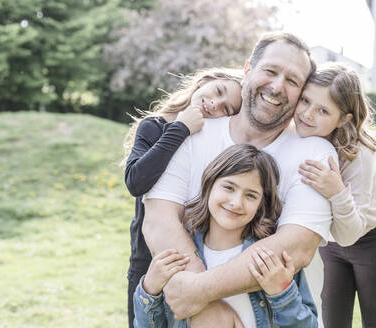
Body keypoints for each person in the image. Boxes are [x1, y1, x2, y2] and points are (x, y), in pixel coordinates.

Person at [142, 32, 343, 327]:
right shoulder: (194, 134)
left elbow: (295, 246)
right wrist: (206, 312)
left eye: (292, 81)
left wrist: (201, 291)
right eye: (270, 71)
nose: (277, 86)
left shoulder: (313, 153)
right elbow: (159, 220)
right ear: (247, 69)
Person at [134, 144, 318, 328]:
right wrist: (149, 290)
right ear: (210, 184)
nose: (236, 203)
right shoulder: (180, 253)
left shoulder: (271, 260)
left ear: (262, 204)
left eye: (251, 196)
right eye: (229, 187)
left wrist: (281, 294)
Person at [122, 68, 243, 327]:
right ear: (204, 81)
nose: (215, 104)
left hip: (196, 257)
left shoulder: (216, 142)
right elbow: (136, 181)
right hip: (147, 255)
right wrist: (181, 128)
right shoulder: (155, 126)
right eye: (218, 91)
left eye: (227, 108)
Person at [295, 63, 376, 328]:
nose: (308, 114)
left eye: (323, 110)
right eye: (305, 101)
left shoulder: (358, 154)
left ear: (345, 118)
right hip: (333, 246)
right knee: (332, 320)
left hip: (375, 242)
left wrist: (336, 191)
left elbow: (351, 232)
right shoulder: (299, 137)